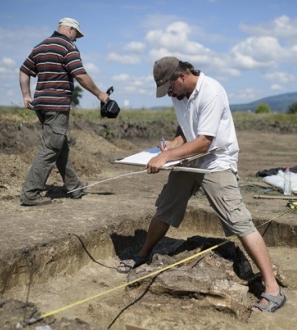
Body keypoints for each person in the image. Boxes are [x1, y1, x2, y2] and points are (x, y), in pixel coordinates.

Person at [117, 56, 286, 313]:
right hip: (188, 160)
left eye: (170, 88)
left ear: (181, 77)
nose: (169, 94)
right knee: (165, 208)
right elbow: (186, 128)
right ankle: (143, 254)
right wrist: (174, 144)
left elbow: (204, 141)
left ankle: (272, 288)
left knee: (239, 221)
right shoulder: (181, 94)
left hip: (216, 162)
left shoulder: (212, 92)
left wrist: (164, 156)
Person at [19, 18, 110, 206]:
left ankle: (74, 187)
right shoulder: (68, 47)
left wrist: (27, 95)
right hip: (57, 106)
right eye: (76, 34)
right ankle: (30, 192)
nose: (76, 38)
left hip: (41, 105)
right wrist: (100, 94)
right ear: (70, 30)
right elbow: (80, 75)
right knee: (51, 147)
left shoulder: (40, 46)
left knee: (60, 145)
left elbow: (24, 70)